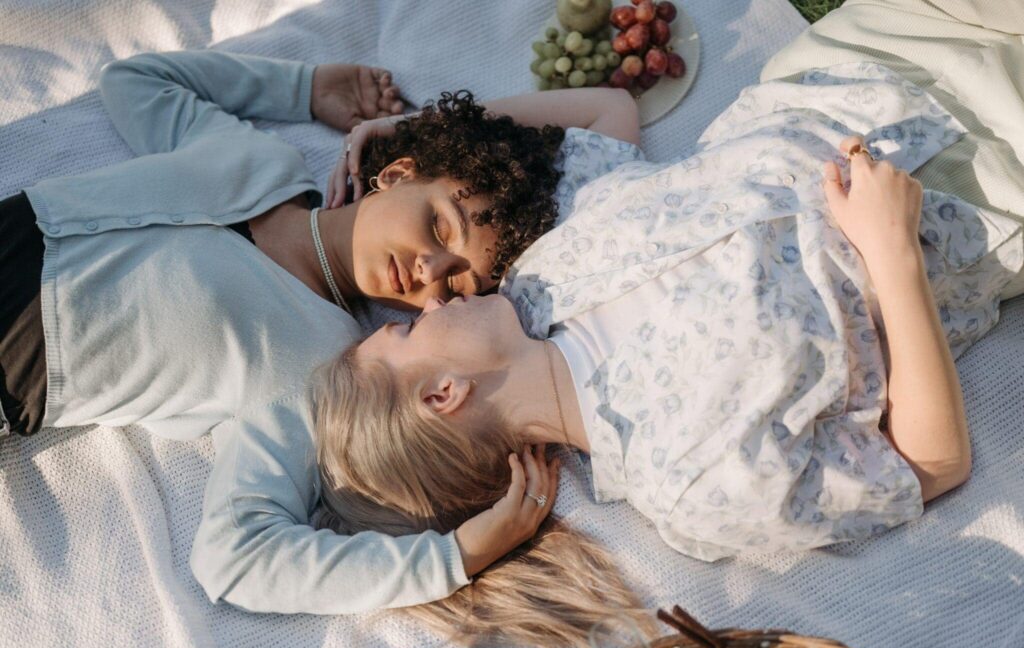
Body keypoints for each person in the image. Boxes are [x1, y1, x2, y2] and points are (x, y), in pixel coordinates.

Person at [312, 61, 1024, 648]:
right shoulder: (691, 481)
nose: (429, 300)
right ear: (443, 395)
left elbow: (602, 117)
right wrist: (890, 252)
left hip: (860, 66)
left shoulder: (538, 276)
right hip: (982, 184)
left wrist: (415, 134)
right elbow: (928, 464)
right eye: (403, 332)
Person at [0, 49, 644, 614]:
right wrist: (307, 89)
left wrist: (455, 557)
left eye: (453, 285)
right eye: (441, 228)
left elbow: (236, 556)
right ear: (396, 174)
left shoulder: (313, 368)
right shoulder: (263, 164)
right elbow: (137, 78)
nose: (428, 273)